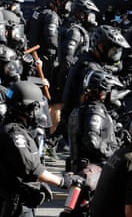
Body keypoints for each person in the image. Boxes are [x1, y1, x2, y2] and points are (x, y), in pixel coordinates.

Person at [0, 81, 79, 217]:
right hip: (15, 206)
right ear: (26, 108)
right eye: (36, 108)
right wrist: (61, 181)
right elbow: (32, 168)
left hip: (20, 200)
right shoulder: (14, 134)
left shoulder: (17, 129)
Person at [57, 25, 130, 148]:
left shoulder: (87, 59)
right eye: (113, 51)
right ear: (101, 46)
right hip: (83, 124)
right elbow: (92, 99)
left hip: (77, 120)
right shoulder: (90, 69)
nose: (115, 55)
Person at [51, 0, 100, 136]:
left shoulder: (77, 28)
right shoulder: (75, 32)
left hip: (70, 75)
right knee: (63, 108)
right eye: (90, 13)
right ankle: (52, 141)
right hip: (68, 76)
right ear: (81, 13)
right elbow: (67, 57)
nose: (92, 17)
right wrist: (71, 77)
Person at [68, 69, 122, 173]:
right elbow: (92, 140)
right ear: (102, 93)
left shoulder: (84, 108)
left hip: (85, 169)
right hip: (96, 170)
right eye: (111, 91)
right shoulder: (95, 111)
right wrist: (111, 153)